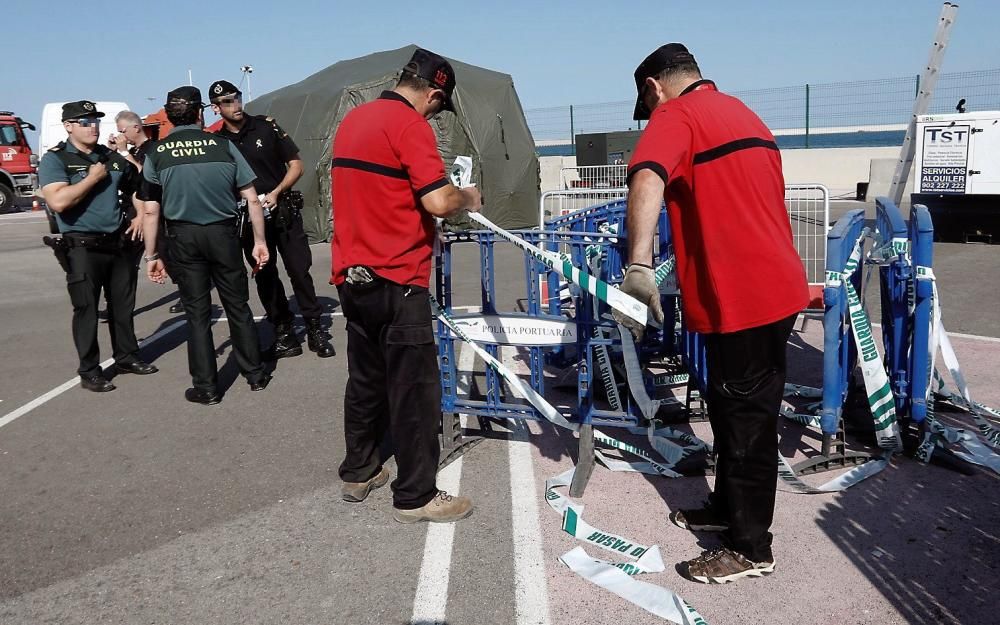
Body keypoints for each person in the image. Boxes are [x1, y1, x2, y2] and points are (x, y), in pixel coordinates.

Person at [616, 44, 809, 583]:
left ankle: (750, 549)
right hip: (774, 288)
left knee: (746, 420)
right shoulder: (742, 113)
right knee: (729, 408)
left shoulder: (676, 114)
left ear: (655, 87)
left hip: (743, 297)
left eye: (648, 104)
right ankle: (727, 512)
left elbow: (648, 175)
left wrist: (638, 264)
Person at [331, 48, 481, 523]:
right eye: (439, 106)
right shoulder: (409, 127)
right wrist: (467, 196)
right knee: (414, 390)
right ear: (434, 93)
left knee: (366, 379)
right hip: (399, 277)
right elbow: (437, 201)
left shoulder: (354, 121)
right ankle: (415, 496)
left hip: (353, 275)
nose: (435, 114)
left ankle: (359, 469)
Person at [138, 86, 272, 405]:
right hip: (222, 234)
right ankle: (255, 374)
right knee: (238, 305)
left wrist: (152, 255)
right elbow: (252, 198)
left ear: (169, 116)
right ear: (200, 113)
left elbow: (150, 209)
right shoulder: (223, 146)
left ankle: (207, 387)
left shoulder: (157, 152)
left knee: (197, 314)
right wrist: (259, 241)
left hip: (184, 238)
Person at [209, 80, 335, 360]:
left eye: (237, 98)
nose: (236, 105)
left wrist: (277, 191)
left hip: (283, 211)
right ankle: (283, 332)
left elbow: (297, 165)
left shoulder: (265, 127)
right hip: (250, 219)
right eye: (228, 102)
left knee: (299, 271)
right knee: (265, 277)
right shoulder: (218, 142)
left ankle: (315, 329)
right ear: (216, 109)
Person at [38, 100, 158, 392]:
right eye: (84, 121)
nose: (92, 126)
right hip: (82, 247)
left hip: (117, 243)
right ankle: (90, 370)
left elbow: (138, 187)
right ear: (68, 126)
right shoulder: (57, 159)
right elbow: (58, 201)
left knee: (122, 306)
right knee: (87, 310)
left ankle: (127, 356)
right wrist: (91, 179)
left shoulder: (111, 157)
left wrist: (141, 214)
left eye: (95, 121)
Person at [111, 111, 185, 314]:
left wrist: (125, 153)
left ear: (136, 128)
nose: (120, 135)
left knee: (169, 258)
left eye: (122, 131)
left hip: (155, 215)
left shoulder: (154, 149)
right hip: (133, 215)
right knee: (126, 263)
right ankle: (120, 306)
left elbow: (145, 175)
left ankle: (187, 295)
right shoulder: (132, 151)